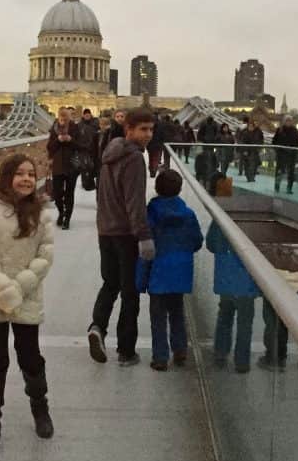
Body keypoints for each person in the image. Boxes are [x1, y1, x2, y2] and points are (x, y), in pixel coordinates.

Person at [0, 154, 56, 458]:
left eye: (31, 174)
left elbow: (45, 256)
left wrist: (18, 288)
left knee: (30, 356)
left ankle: (40, 408)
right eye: (19, 173)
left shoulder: (42, 214)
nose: (26, 179)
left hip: (27, 294)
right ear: (6, 177)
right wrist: (3, 291)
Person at [88, 108, 156, 367]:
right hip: (126, 234)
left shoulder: (110, 153)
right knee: (130, 293)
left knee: (109, 284)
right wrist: (144, 236)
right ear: (128, 129)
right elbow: (134, 202)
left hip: (105, 230)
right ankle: (126, 351)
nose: (148, 135)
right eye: (143, 129)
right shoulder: (134, 158)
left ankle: (97, 327)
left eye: (151, 129)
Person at [136, 169, 203, 371]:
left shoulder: (151, 214)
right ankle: (180, 350)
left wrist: (141, 278)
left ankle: (160, 357)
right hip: (180, 275)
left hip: (158, 275)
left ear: (157, 188)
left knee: (158, 319)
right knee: (177, 314)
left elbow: (146, 248)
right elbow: (197, 241)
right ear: (179, 189)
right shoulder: (188, 214)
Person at [205, 174, 258, 373]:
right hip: (246, 281)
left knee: (224, 316)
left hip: (226, 279)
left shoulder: (220, 219)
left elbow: (211, 244)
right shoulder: (249, 222)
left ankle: (220, 353)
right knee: (245, 322)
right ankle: (242, 361)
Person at [47, 106, 81, 230]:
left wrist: (70, 140)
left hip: (72, 165)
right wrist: (58, 140)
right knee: (57, 194)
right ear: (58, 118)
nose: (63, 121)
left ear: (69, 118)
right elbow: (49, 147)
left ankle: (67, 219)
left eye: (66, 118)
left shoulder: (75, 128)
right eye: (61, 118)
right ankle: (61, 212)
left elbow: (81, 146)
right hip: (58, 166)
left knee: (69, 194)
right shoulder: (54, 129)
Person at [272, 116, 298, 194]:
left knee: (291, 173)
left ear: (292, 122)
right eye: (287, 121)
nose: (288, 122)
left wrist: (295, 152)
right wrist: (278, 151)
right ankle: (277, 186)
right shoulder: (279, 131)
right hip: (281, 156)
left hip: (291, 156)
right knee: (279, 172)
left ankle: (289, 188)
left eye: (289, 121)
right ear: (284, 122)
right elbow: (274, 142)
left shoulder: (296, 132)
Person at [236, 116, 265, 182]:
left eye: (252, 126)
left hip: (255, 151)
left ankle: (252, 177)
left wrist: (259, 147)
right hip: (247, 151)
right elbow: (242, 142)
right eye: (250, 126)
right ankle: (249, 177)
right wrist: (244, 150)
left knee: (254, 165)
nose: (251, 128)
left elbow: (261, 140)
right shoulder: (245, 133)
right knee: (248, 164)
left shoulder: (258, 132)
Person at [147, 113, 166, 177]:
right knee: (155, 158)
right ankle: (153, 170)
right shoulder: (161, 125)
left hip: (150, 144)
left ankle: (151, 169)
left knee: (151, 157)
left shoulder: (149, 125)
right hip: (158, 144)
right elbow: (163, 135)